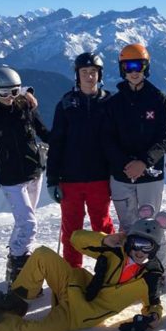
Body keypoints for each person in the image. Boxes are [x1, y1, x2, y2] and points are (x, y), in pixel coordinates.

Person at [0, 205, 166, 331]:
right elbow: (76, 239)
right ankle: (16, 301)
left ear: (155, 249)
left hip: (76, 313)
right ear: (129, 240)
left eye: (147, 246)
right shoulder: (115, 249)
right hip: (73, 283)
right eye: (136, 243)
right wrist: (103, 240)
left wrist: (150, 320)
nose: (140, 250)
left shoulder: (150, 277)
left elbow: (154, 306)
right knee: (43, 254)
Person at [0, 67, 50, 286]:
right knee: (28, 223)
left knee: (23, 223)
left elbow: (43, 131)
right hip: (10, 178)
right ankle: (19, 266)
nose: (10, 98)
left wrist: (65, 147)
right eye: (4, 94)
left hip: (33, 173)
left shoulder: (26, 105)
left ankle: (16, 266)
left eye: (15, 92)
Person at [103, 43, 166, 270]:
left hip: (150, 175)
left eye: (139, 66)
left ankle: (156, 270)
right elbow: (107, 139)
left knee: (151, 225)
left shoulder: (158, 99)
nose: (134, 71)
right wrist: (126, 164)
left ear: (146, 67)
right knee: (127, 225)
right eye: (128, 66)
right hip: (121, 175)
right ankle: (129, 270)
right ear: (123, 69)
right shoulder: (113, 103)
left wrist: (143, 162)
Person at [46, 52, 114, 267]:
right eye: (84, 72)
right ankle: (72, 272)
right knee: (72, 230)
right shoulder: (66, 104)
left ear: (100, 74)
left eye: (93, 72)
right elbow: (56, 142)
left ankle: (109, 267)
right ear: (77, 75)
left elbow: (117, 139)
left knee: (101, 227)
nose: (89, 76)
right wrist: (52, 178)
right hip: (71, 178)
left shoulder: (109, 102)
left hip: (100, 177)